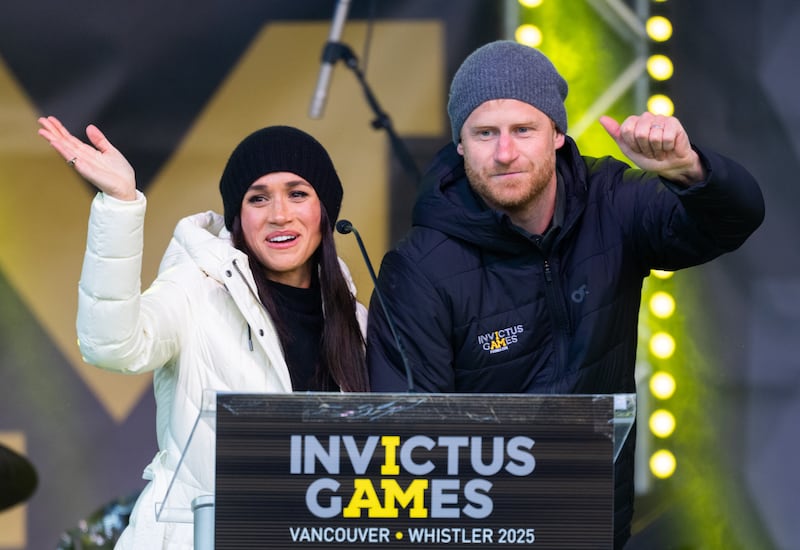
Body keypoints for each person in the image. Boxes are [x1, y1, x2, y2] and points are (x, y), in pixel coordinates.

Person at [366, 40, 764, 549]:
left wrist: (690, 168)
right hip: (484, 533)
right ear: (460, 144)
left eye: (523, 130)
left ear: (557, 133)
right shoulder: (419, 269)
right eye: (485, 133)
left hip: (595, 521)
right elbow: (409, 443)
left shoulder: (611, 200)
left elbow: (735, 220)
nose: (504, 153)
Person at [37, 116, 369, 549]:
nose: (279, 214)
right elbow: (112, 345)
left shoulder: (356, 321)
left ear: (325, 211)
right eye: (258, 198)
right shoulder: (198, 287)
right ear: (238, 217)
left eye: (297, 193)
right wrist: (120, 205)